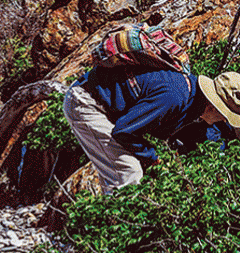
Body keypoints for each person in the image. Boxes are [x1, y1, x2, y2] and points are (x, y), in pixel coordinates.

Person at [64, 68, 240, 193]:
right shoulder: (173, 97)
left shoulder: (192, 99)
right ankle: (117, 239)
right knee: (129, 172)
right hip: (86, 102)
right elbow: (124, 131)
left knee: (121, 173)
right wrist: (152, 157)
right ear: (213, 107)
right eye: (225, 115)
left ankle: (108, 226)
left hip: (103, 104)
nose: (224, 121)